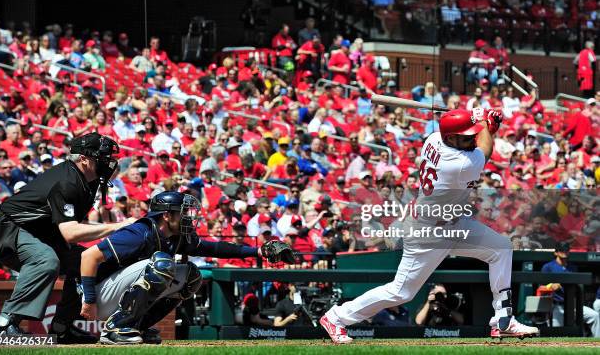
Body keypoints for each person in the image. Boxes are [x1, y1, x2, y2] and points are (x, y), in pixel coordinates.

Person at [320, 108, 539, 343]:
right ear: (450, 138)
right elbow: (486, 149)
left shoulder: (434, 138)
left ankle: (503, 320)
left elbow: (474, 137)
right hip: (428, 232)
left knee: (501, 248)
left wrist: (477, 121)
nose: (471, 140)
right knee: (401, 292)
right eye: (466, 137)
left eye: (471, 136)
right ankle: (336, 317)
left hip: (454, 223)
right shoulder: (459, 163)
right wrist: (485, 123)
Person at [77, 191, 295, 344]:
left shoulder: (176, 235)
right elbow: (88, 257)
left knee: (191, 275)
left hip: (118, 294)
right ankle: (115, 328)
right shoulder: (139, 232)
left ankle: (136, 326)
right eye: (182, 212)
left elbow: (214, 248)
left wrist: (257, 252)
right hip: (96, 295)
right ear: (166, 215)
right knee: (162, 263)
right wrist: (89, 301)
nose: (188, 217)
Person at [0, 133, 127, 342]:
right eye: (103, 157)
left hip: (36, 231)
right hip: (6, 227)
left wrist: (115, 228)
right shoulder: (68, 180)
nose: (108, 163)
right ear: (84, 159)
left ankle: (62, 327)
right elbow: (70, 233)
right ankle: (6, 323)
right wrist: (116, 227)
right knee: (45, 260)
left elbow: (71, 226)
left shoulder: (87, 181)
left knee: (89, 261)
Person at [541, 242, 600, 337]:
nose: (564, 252)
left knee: (594, 316)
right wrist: (550, 285)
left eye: (566, 250)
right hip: (556, 306)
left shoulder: (573, 267)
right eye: (561, 250)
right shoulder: (548, 267)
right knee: (556, 335)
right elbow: (541, 287)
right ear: (556, 252)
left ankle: (597, 343)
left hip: (573, 306)